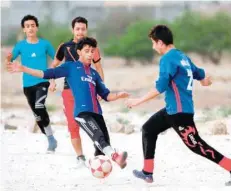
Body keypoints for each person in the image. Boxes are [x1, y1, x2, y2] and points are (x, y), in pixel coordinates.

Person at [126, 25, 231, 185]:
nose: (153, 47)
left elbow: (160, 87)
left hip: (179, 113)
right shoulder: (182, 57)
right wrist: (204, 81)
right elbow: (199, 73)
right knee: (148, 129)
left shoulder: (167, 59)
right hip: (173, 110)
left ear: (160, 42)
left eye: (153, 43)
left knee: (197, 146)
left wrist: (137, 101)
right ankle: (147, 172)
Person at [7, 37, 129, 169]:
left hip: (97, 113)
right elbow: (46, 73)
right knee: (99, 138)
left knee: (104, 144)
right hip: (82, 113)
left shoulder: (94, 74)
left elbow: (106, 95)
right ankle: (116, 157)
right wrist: (23, 68)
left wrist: (118, 95)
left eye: (92, 51)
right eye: (87, 51)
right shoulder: (70, 67)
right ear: (79, 52)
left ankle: (99, 168)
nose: (90, 54)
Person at [49, 17, 104, 165]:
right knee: (73, 126)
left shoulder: (93, 48)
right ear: (73, 30)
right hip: (69, 92)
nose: (80, 32)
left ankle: (99, 151)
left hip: (88, 90)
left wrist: (100, 90)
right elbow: (54, 66)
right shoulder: (64, 47)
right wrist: (52, 82)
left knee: (93, 122)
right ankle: (80, 158)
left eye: (83, 29)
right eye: (77, 29)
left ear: (86, 29)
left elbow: (98, 69)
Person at [5, 15, 57, 153]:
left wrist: (52, 79)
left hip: (42, 81)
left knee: (40, 105)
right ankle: (50, 137)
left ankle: (51, 141)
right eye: (27, 26)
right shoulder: (20, 45)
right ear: (24, 29)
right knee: (37, 115)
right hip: (27, 85)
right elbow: (10, 63)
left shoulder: (45, 44)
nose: (30, 28)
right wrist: (8, 59)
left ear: (36, 27)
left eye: (33, 25)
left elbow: (56, 60)